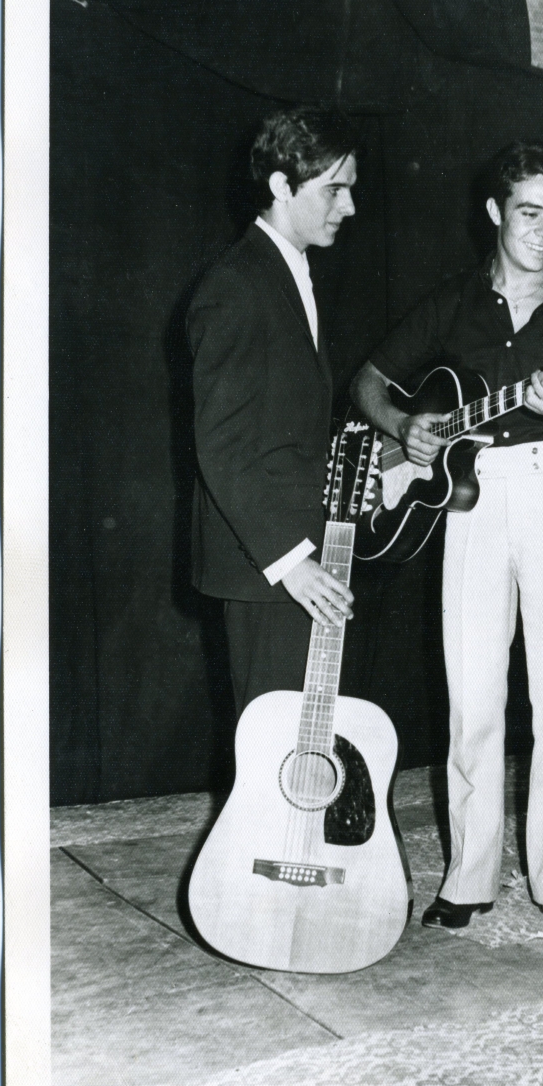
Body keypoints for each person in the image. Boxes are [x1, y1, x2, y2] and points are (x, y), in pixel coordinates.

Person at [352, 141, 543, 934]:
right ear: (497, 213)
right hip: (469, 502)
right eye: (530, 214)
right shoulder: (453, 302)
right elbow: (368, 381)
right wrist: (407, 425)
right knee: (471, 694)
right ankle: (467, 878)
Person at [188, 107, 358, 716]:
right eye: (333, 189)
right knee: (272, 758)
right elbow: (223, 445)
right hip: (271, 567)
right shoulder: (238, 284)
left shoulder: (288, 273)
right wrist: (292, 564)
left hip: (296, 558)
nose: (349, 206)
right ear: (282, 186)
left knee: (297, 746)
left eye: (351, 190)